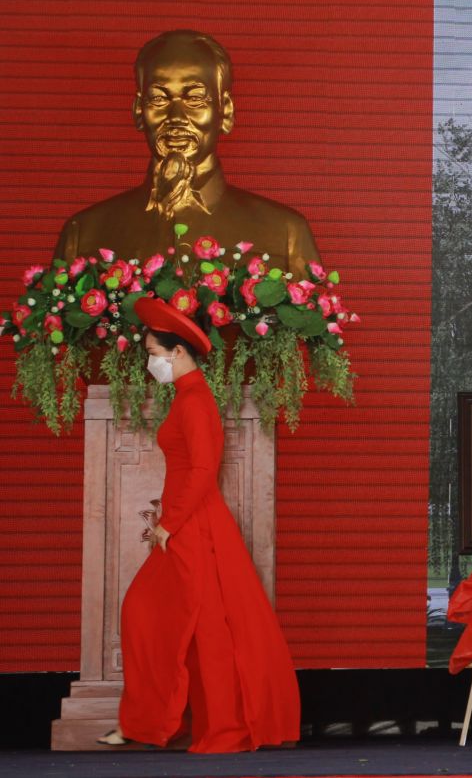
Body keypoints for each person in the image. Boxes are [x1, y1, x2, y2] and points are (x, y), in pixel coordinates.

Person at [100, 295, 300, 752]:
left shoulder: (195, 401)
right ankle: (156, 722)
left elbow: (204, 471)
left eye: (153, 355)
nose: (151, 364)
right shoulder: (189, 396)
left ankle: (209, 724)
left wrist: (170, 524)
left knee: (199, 626)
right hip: (186, 523)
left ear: (178, 352)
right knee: (161, 618)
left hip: (193, 525)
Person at [54, 29, 322, 277]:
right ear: (138, 111)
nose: (176, 117)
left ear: (225, 111)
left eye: (195, 98)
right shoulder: (85, 234)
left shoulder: (285, 233)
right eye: (159, 98)